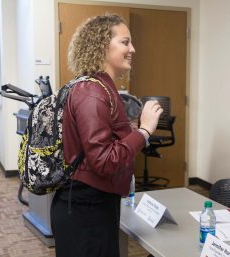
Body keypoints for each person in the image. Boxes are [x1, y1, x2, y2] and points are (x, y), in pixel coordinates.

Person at [50, 14, 163, 257]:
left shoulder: (99, 88)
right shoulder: (92, 92)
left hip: (93, 204)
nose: (132, 49)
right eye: (125, 42)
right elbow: (103, 160)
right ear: (102, 45)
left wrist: (130, 131)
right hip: (85, 209)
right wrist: (144, 131)